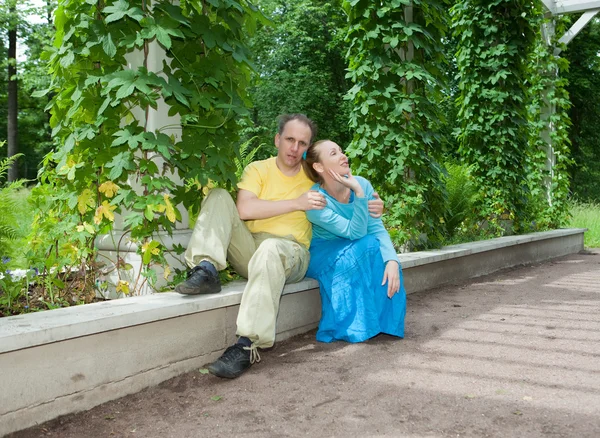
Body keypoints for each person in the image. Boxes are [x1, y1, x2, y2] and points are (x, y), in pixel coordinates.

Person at [175, 115, 384, 379]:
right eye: (289, 140)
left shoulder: (313, 177)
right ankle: (205, 268)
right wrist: (296, 203)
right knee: (218, 196)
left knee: (272, 247)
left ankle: (246, 344)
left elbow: (345, 192)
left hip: (291, 253)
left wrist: (372, 204)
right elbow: (244, 209)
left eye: (302, 143)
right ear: (277, 139)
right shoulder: (258, 169)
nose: (295, 148)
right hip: (251, 248)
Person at [303, 139, 406, 343]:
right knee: (365, 246)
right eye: (334, 153)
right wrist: (358, 194)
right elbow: (355, 232)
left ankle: (384, 323)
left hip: (357, 244)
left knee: (378, 251)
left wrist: (392, 261)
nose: (343, 156)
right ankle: (352, 326)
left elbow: (376, 229)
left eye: (341, 151)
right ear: (318, 166)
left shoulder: (362, 183)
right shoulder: (315, 200)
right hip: (325, 254)